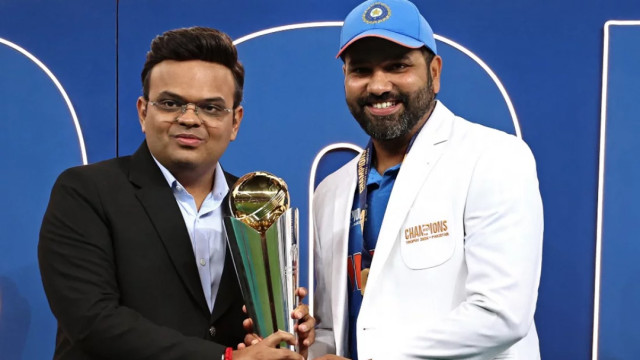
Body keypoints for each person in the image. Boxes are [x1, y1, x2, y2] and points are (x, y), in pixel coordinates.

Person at [39, 26, 313, 360]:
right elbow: (93, 320)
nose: (189, 119)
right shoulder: (86, 191)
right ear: (143, 112)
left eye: (211, 108)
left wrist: (284, 330)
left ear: (236, 122)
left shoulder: (256, 202)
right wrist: (225, 359)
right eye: (171, 103)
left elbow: (237, 328)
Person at [309, 0, 543, 359]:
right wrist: (302, 348)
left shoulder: (494, 157)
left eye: (397, 66)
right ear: (345, 78)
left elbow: (501, 314)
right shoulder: (332, 192)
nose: (378, 85)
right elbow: (335, 329)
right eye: (361, 70)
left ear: (434, 72)